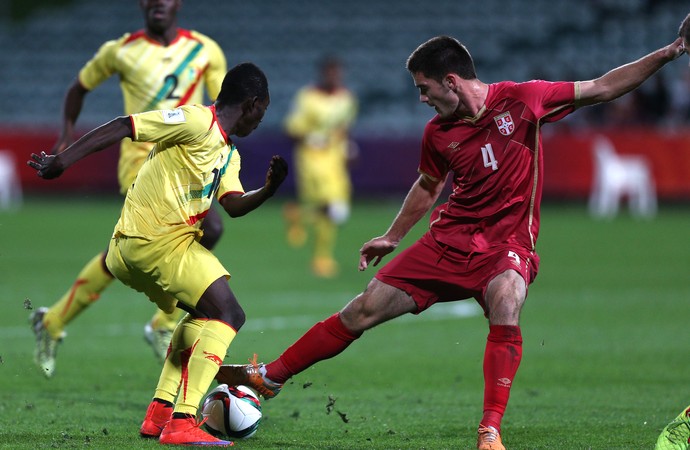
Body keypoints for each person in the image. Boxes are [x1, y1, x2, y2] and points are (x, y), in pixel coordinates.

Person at [214, 34, 685, 450]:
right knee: (361, 310)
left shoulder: (524, 101)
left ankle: (490, 431)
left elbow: (602, 87)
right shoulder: (438, 133)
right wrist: (392, 237)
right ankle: (271, 376)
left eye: (424, 88)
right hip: (447, 242)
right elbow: (427, 187)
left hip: (506, 244)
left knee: (507, 298)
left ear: (452, 81)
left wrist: (671, 51)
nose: (421, 99)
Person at [28, 62, 287, 446]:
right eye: (262, 112)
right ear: (251, 104)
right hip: (156, 242)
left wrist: (266, 191)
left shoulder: (228, 154)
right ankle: (183, 422)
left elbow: (232, 204)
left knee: (203, 315)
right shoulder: (196, 120)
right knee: (229, 314)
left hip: (131, 250)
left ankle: (160, 415)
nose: (260, 122)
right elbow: (124, 125)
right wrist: (61, 161)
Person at [29, 0, 228, 377]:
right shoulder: (120, 51)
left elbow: (222, 106)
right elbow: (78, 87)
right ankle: (164, 323)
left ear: (177, 3)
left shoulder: (205, 49)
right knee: (208, 228)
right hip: (142, 161)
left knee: (124, 252)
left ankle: (54, 320)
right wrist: (65, 135)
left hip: (187, 162)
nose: (158, 2)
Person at [282, 55, 358, 278]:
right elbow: (291, 130)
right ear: (323, 74)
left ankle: (299, 213)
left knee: (338, 212)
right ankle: (322, 258)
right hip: (311, 159)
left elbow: (344, 130)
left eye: (338, 73)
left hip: (334, 160)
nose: (335, 77)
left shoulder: (347, 99)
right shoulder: (307, 98)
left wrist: (348, 149)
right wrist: (310, 137)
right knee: (329, 205)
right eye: (330, 73)